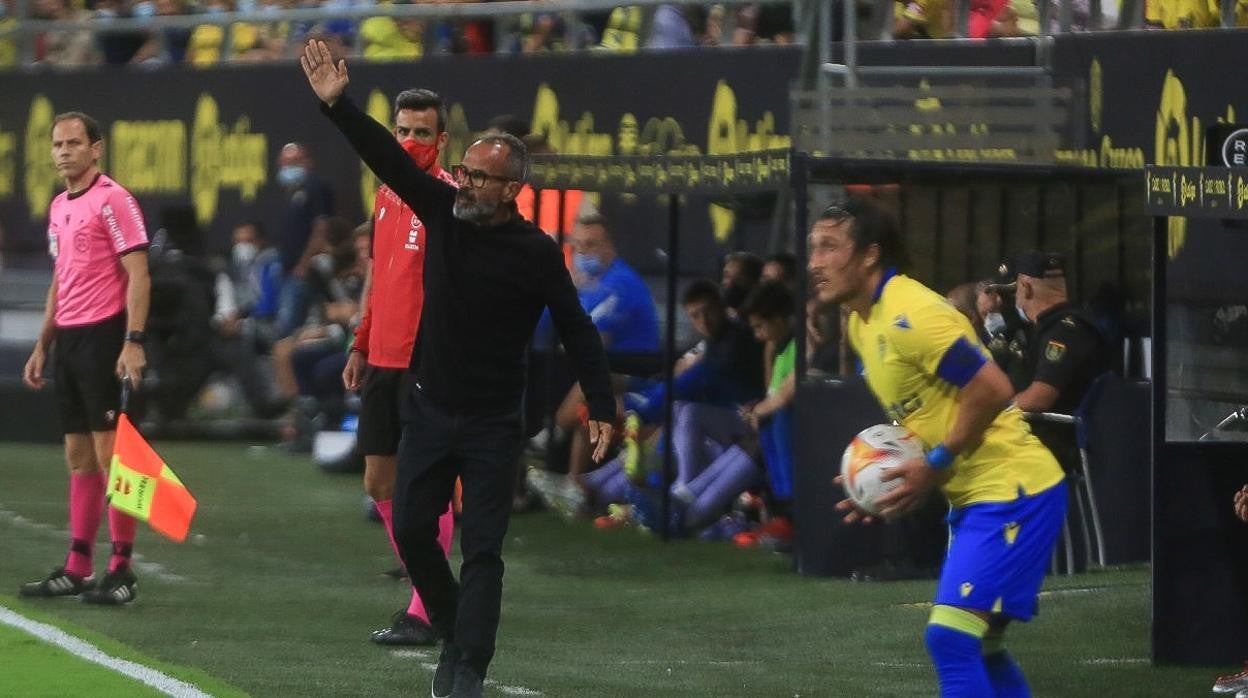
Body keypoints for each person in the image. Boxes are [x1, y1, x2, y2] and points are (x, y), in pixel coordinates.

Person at [301, 39, 614, 698]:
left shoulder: (534, 252)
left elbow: (578, 331)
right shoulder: (442, 212)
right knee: (412, 527)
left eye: (479, 177)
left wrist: (604, 405)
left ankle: (465, 665)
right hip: (430, 408)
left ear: (511, 188)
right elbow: (386, 156)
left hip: (494, 424)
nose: (464, 183)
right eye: (465, 171)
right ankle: (446, 619)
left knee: (483, 551)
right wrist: (337, 107)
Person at [808, 195, 1066, 697]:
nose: (815, 263)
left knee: (950, 640)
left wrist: (936, 463)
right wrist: (882, 479)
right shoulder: (862, 322)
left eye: (829, 247)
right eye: (812, 248)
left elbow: (992, 389)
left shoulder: (911, 313)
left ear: (868, 255)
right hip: (981, 496)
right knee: (981, 648)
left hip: (1013, 489)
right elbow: (927, 413)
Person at [341, 87, 459, 647]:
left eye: (421, 133)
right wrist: (361, 343)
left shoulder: (448, 199)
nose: (411, 142)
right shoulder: (387, 194)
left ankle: (425, 606)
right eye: (403, 132)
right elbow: (383, 278)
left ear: (443, 140)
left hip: (426, 362)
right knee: (379, 481)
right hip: (382, 359)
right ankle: (431, 591)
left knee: (422, 490)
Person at [20, 111, 151, 605]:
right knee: (79, 457)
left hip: (103, 337)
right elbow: (62, 277)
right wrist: (43, 343)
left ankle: (122, 570)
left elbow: (139, 273)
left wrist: (133, 340)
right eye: (57, 144)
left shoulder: (114, 200)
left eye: (74, 143)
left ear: (96, 148)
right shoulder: (59, 206)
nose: (63, 152)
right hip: (70, 340)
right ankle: (78, 565)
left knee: (115, 455)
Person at [1010, 251, 1109, 415]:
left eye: (1015, 290)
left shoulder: (1062, 332)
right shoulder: (1059, 324)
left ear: (1025, 288)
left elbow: (1039, 398)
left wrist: (998, 408)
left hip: (1059, 436)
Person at [274, 141, 334, 337]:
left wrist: (304, 264)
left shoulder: (314, 186)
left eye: (294, 162)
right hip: (288, 270)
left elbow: (321, 228)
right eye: (284, 163)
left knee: (289, 333)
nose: (288, 168)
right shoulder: (290, 192)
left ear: (307, 161)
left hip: (303, 271)